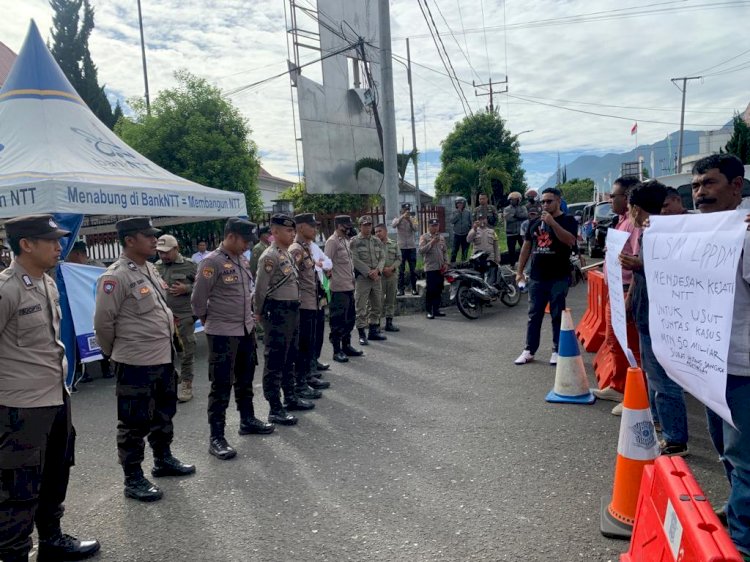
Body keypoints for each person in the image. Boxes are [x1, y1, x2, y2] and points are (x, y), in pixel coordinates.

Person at [0, 215, 100, 562]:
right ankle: (13, 554)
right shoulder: (7, 288)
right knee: (18, 487)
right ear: (26, 244)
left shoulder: (46, 282)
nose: (60, 246)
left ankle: (52, 539)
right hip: (20, 406)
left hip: (56, 395)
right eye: (51, 240)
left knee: (56, 472)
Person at [94, 217, 195, 503]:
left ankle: (163, 459)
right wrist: (116, 353)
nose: (154, 241)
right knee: (134, 422)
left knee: (164, 413)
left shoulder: (149, 268)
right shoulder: (115, 277)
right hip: (135, 361)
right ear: (129, 240)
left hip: (162, 357)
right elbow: (103, 324)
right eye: (147, 236)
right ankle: (133, 478)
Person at [690, 154, 750, 559]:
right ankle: (737, 511)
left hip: (744, 370)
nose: (700, 193)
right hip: (711, 366)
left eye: (709, 183)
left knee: (745, 462)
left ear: (736, 186)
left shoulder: (745, 234)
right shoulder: (696, 233)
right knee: (728, 453)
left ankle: (743, 547)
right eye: (695, 186)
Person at [191, 218, 273, 461]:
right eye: (245, 240)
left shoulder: (241, 258)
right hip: (223, 333)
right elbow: (197, 300)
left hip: (245, 329)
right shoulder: (211, 262)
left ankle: (247, 420)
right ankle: (216, 437)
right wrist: (210, 322)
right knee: (221, 384)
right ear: (232, 236)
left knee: (245, 377)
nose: (247, 245)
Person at [619, 180, 689, 458]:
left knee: (664, 380)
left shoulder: (665, 234)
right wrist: (630, 298)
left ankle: (675, 440)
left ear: (636, 209)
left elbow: (673, 274)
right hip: (646, 312)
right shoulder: (650, 232)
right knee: (654, 375)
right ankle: (662, 423)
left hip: (661, 316)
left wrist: (638, 265)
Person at [255, 214, 314, 425]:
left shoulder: (286, 254)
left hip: (291, 309)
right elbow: (260, 289)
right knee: (275, 360)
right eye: (288, 230)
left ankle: (290, 397)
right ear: (275, 232)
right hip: (277, 311)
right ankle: (274, 407)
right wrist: (258, 313)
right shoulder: (269, 256)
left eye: (293, 230)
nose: (292, 233)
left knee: (291, 355)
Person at [591, 176, 641, 414]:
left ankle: (637, 396)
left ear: (628, 197)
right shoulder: (620, 221)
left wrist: (629, 297)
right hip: (614, 291)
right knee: (613, 340)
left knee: (630, 344)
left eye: (614, 196)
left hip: (625, 291)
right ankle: (618, 385)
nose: (610, 200)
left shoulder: (634, 224)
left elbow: (639, 264)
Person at [514, 188, 578, 366]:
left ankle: (557, 350)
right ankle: (529, 350)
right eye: (543, 201)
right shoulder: (535, 223)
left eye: (549, 201)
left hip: (558, 276)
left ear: (558, 201)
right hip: (537, 276)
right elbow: (526, 248)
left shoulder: (568, 220)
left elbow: (570, 241)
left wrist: (553, 223)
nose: (545, 204)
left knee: (557, 314)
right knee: (534, 314)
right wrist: (520, 272)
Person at [288, 213, 330, 398]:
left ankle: (308, 377)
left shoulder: (306, 248)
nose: (315, 229)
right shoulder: (296, 250)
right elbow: (291, 278)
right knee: (303, 345)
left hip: (312, 302)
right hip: (303, 305)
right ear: (301, 227)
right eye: (312, 226)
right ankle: (301, 384)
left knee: (310, 343)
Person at [155, 235, 198, 403]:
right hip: (162, 316)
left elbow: (205, 286)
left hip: (184, 316)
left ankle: (187, 384)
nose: (163, 256)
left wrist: (187, 288)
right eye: (160, 253)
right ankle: (172, 380)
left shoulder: (190, 265)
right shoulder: (155, 267)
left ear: (176, 249)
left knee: (186, 351)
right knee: (164, 352)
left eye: (166, 252)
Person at [325, 215, 363, 362]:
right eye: (346, 226)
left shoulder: (346, 241)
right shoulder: (332, 242)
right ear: (339, 226)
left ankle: (346, 346)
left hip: (349, 286)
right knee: (338, 321)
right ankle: (336, 350)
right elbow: (326, 264)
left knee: (349, 319)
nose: (349, 228)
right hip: (338, 288)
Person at [350, 215, 387, 346]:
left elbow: (383, 257)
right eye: (365, 225)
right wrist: (368, 272)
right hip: (363, 278)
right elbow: (354, 259)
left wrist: (378, 270)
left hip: (376, 277)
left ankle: (373, 331)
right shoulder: (354, 241)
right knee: (360, 306)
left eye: (370, 225)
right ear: (360, 226)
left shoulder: (376, 240)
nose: (368, 227)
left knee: (377, 304)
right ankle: (361, 334)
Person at [310, 240, 333, 375]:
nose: (314, 230)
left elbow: (329, 262)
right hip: (308, 297)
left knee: (319, 329)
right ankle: (309, 365)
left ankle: (315, 359)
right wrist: (319, 265)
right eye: (311, 227)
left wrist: (321, 264)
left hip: (320, 292)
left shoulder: (314, 246)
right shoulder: (296, 247)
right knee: (309, 333)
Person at [418, 218, 448, 319]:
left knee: (439, 289)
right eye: (433, 226)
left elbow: (445, 251)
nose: (435, 227)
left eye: (436, 225)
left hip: (440, 267)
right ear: (429, 227)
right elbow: (421, 250)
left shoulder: (441, 237)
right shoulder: (424, 237)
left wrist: (446, 263)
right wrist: (431, 243)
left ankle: (436, 309)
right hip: (430, 268)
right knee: (431, 290)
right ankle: (429, 310)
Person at [375, 222, 401, 332]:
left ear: (385, 231)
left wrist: (391, 268)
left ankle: (389, 323)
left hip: (392, 275)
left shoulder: (394, 244)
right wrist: (381, 270)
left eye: (379, 231)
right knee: (378, 300)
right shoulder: (374, 245)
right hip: (379, 277)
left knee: (391, 299)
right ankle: (376, 324)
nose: (377, 233)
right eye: (375, 232)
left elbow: (399, 259)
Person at [392, 203, 419, 296]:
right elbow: (393, 225)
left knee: (413, 270)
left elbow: (416, 229)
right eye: (405, 209)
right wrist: (402, 217)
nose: (406, 211)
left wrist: (410, 220)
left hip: (411, 247)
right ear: (402, 210)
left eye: (407, 209)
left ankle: (414, 289)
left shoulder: (413, 219)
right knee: (401, 270)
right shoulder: (397, 218)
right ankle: (400, 289)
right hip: (401, 247)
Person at [467, 213, 500, 285]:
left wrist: (497, 258)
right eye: (480, 219)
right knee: (478, 280)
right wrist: (474, 229)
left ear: (487, 220)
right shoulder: (474, 231)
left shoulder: (492, 231)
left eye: (484, 219)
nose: (482, 221)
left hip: (490, 259)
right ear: (477, 221)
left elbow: (496, 246)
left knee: (491, 280)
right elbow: (468, 240)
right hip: (477, 260)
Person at [503, 191, 529, 266]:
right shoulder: (506, 209)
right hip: (510, 233)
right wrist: (518, 216)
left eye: (513, 199)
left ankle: (525, 263)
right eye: (511, 199)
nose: (512, 201)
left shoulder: (523, 207)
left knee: (524, 249)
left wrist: (515, 215)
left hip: (521, 233)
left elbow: (525, 216)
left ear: (518, 200)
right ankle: (512, 265)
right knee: (511, 250)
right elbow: (508, 219)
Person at [450, 197, 472, 263]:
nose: (459, 205)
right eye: (458, 203)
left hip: (466, 234)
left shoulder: (468, 212)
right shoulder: (454, 212)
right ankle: (452, 264)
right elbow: (452, 221)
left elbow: (471, 222)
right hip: (456, 234)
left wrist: (471, 232)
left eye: (461, 203)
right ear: (456, 204)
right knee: (454, 251)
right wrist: (458, 214)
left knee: (465, 251)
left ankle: (463, 264)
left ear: (464, 204)